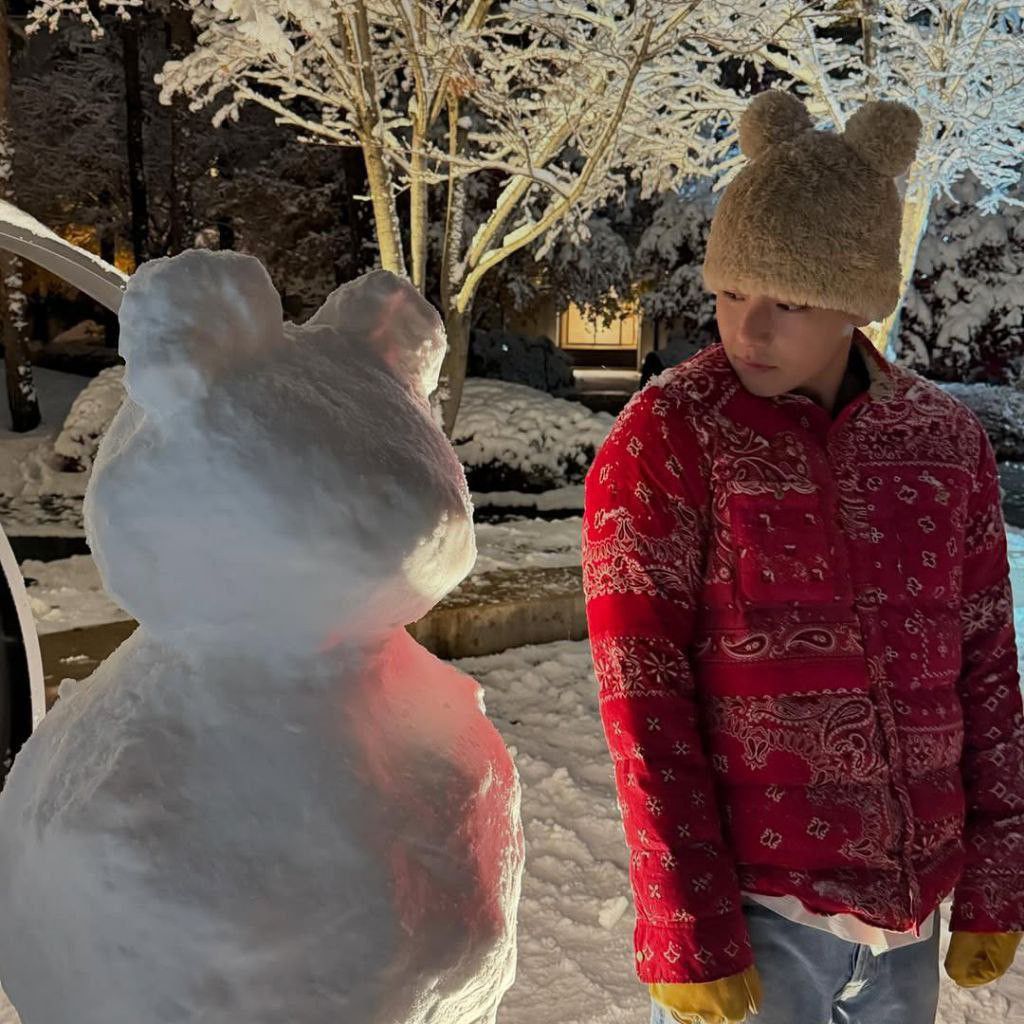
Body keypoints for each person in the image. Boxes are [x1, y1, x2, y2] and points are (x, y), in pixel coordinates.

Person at [582, 89, 1024, 1024]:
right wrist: (685, 921)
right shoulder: (669, 436)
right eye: (733, 292)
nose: (749, 329)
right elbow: (641, 692)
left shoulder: (945, 445)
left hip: (911, 926)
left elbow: (987, 673)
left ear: (857, 299)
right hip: (754, 915)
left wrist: (996, 882)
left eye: (787, 300)